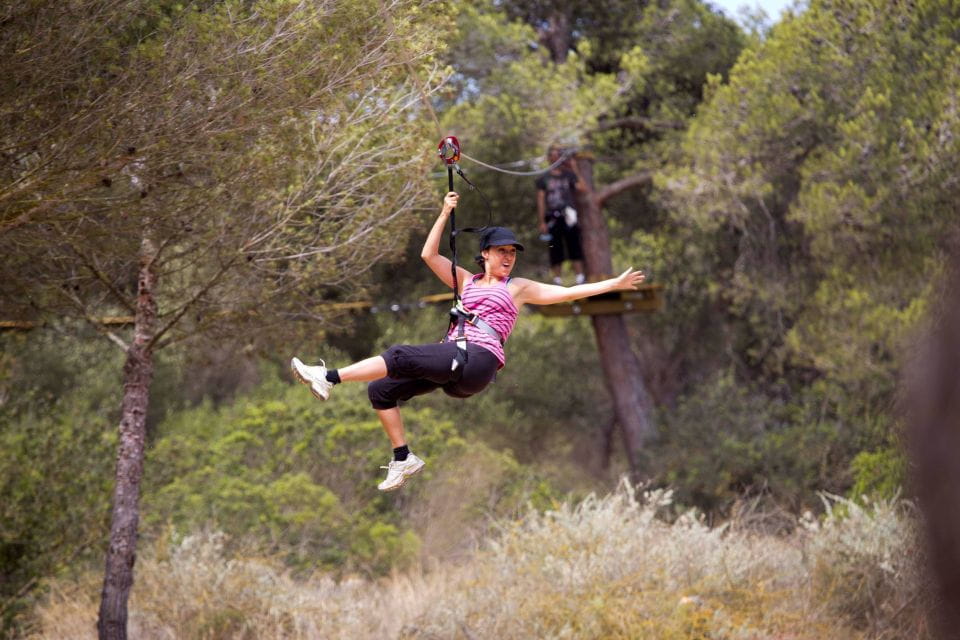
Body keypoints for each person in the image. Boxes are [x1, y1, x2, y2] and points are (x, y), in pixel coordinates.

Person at [291, 191, 645, 491]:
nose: (509, 258)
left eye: (513, 253)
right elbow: (428, 256)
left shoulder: (518, 288)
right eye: (502, 251)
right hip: (458, 366)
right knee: (381, 391)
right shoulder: (465, 280)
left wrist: (613, 284)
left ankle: (329, 377)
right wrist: (445, 212)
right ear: (485, 254)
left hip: (478, 361)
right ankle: (403, 457)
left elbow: (567, 292)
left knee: (397, 354)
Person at [536, 145, 588, 285]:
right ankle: (557, 280)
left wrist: (574, 168)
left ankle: (580, 278)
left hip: (569, 216)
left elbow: (583, 188)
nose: (556, 158)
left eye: (558, 155)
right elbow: (540, 200)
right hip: (552, 217)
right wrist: (542, 221)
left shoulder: (569, 175)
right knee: (555, 248)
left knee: (574, 245)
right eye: (553, 155)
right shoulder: (544, 178)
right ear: (548, 158)